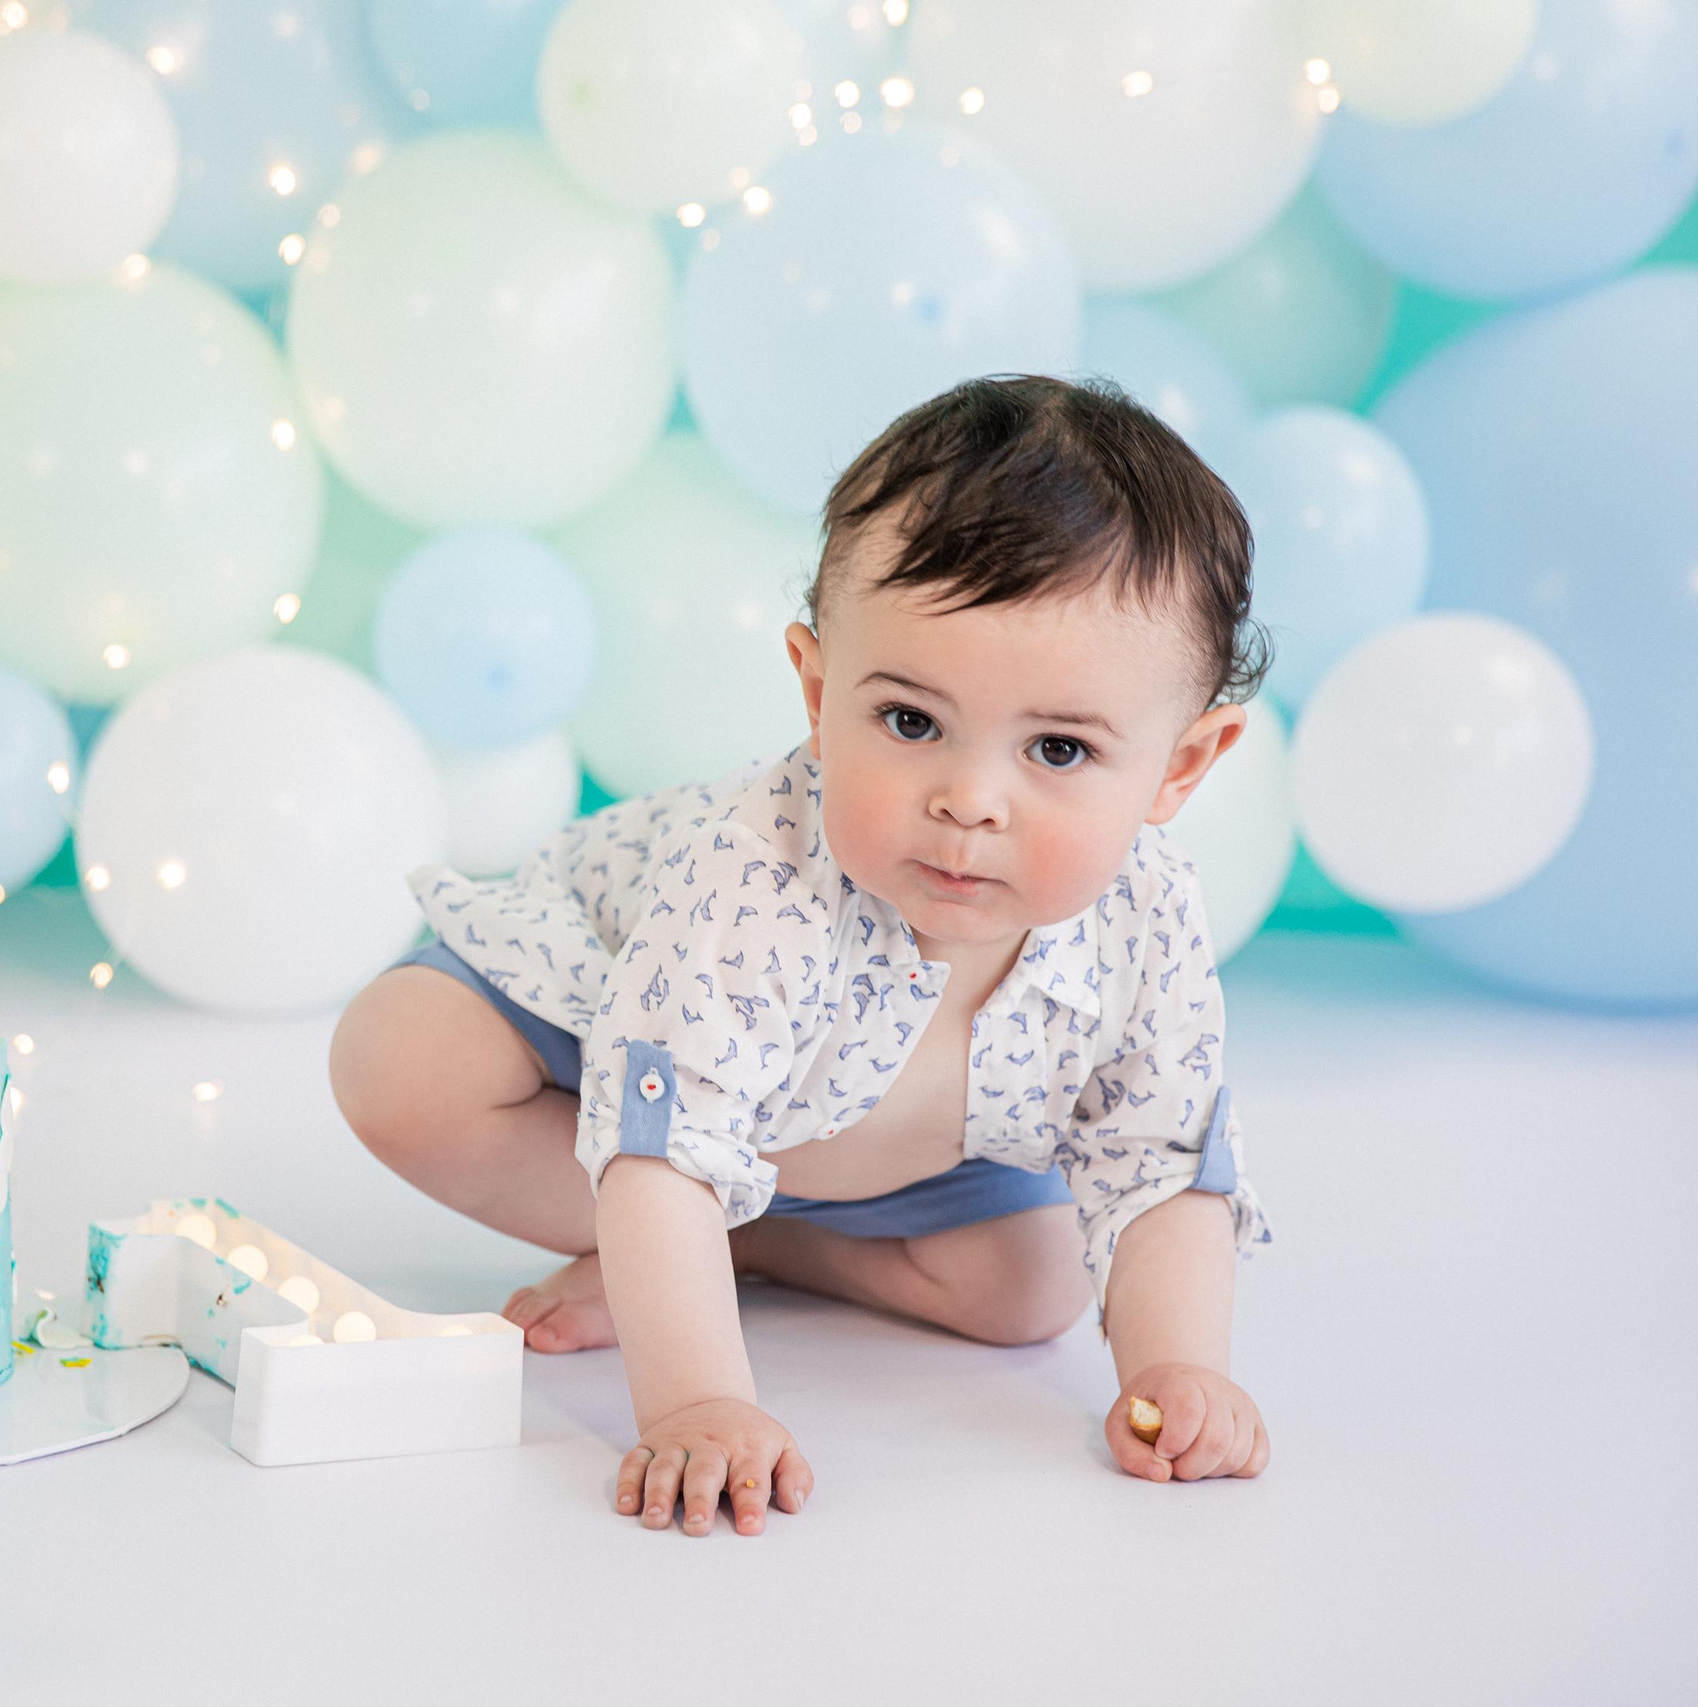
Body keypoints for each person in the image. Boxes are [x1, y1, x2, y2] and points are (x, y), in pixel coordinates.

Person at [330, 376, 1275, 1537]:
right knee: (402, 1063)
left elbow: (1157, 1162)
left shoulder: (1149, 916)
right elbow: (662, 1147)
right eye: (911, 723)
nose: (970, 801)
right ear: (821, 690)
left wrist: (1181, 1368)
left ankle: (748, 1245)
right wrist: (700, 1400)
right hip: (631, 1058)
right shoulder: (756, 875)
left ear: (1181, 767)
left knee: (1033, 1286)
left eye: (1060, 750)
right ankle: (678, 1262)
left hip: (867, 1157)